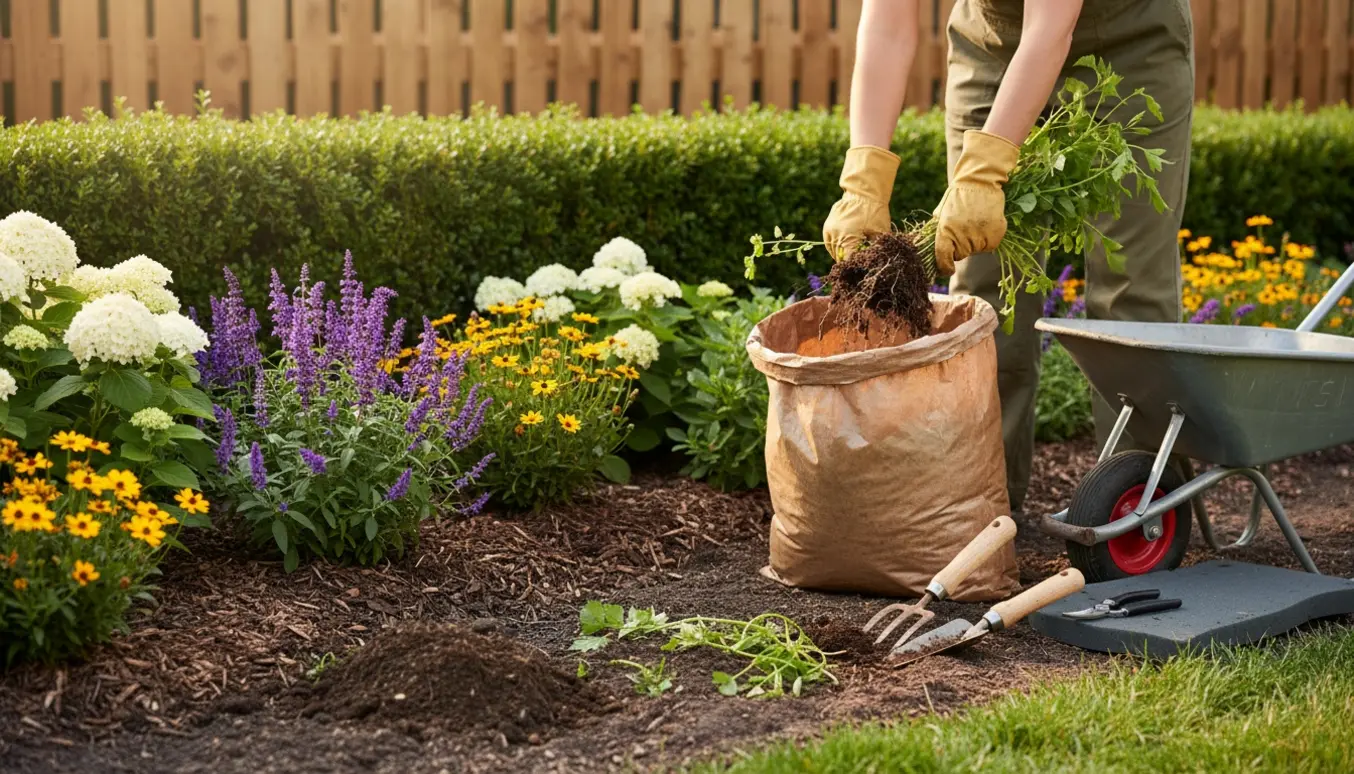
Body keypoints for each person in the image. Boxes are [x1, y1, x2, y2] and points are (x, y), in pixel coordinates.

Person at [822, 0, 1194, 513]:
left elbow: (1049, 27)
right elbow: (887, 23)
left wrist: (985, 171)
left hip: (1131, 43)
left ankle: (1138, 508)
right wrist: (864, 178)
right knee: (983, 287)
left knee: (1131, 284)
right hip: (993, 44)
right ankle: (977, 503)